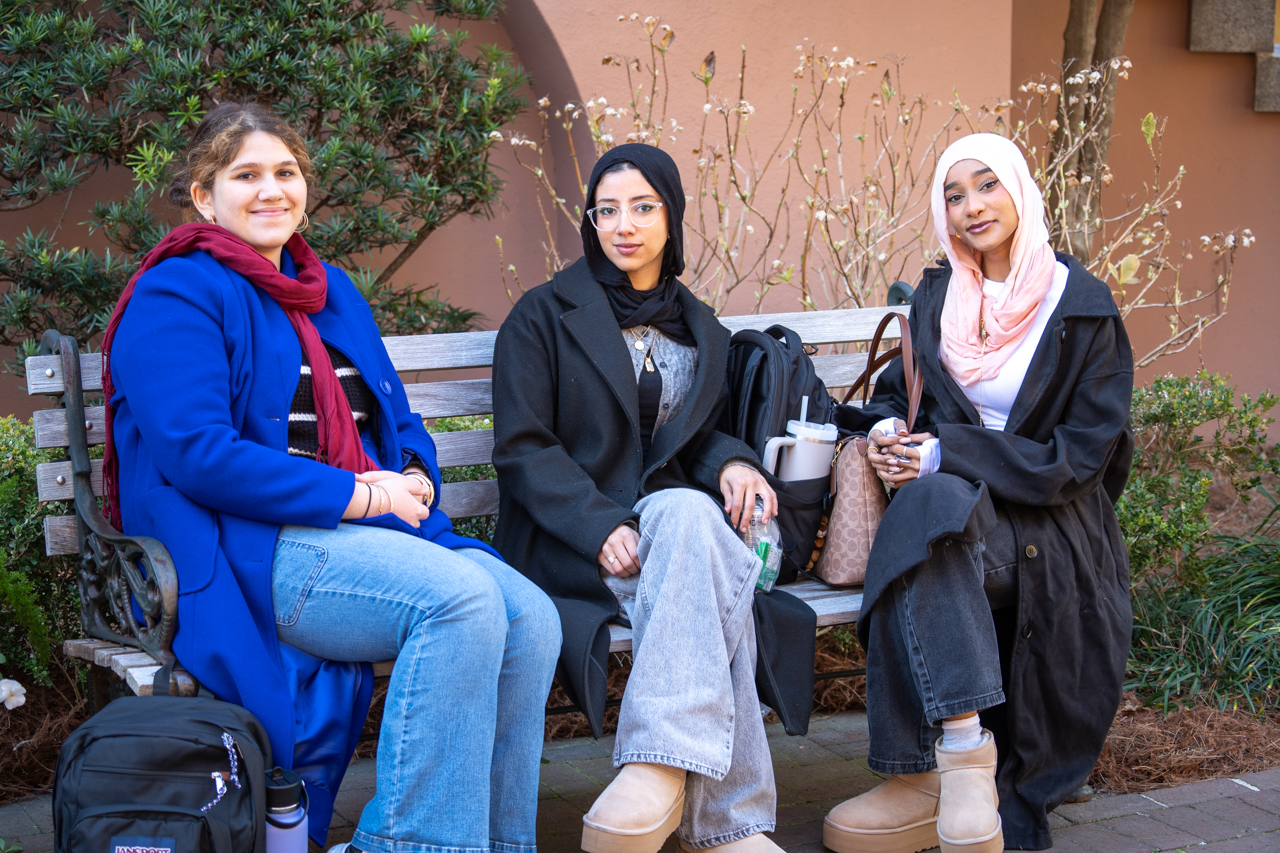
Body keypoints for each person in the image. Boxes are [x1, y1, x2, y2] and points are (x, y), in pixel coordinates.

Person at [102, 102, 560, 853]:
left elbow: (397, 420)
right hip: (248, 543)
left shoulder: (331, 288)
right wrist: (359, 493)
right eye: (245, 174)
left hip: (356, 531)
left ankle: (501, 843)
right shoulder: (176, 294)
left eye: (285, 172)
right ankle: (410, 844)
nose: (270, 190)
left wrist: (410, 472)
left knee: (531, 616)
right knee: (459, 601)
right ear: (202, 195)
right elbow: (199, 454)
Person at [822, 133, 1134, 853]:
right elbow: (895, 396)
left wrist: (944, 452)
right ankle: (963, 763)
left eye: (987, 185)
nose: (970, 207)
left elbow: (1078, 460)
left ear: (1021, 189)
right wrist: (892, 431)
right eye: (953, 195)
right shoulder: (938, 297)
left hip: (1046, 528)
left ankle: (922, 773)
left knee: (928, 515)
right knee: (930, 512)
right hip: (955, 523)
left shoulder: (1081, 307)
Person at [492, 143, 789, 853]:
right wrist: (596, 525)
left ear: (672, 215)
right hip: (569, 539)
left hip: (666, 525)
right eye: (607, 209)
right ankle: (729, 824)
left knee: (692, 517)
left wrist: (735, 464)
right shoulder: (542, 316)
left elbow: (694, 437)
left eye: (643, 207)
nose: (624, 224)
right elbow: (523, 445)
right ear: (591, 220)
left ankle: (656, 765)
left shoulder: (701, 325)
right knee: (721, 586)